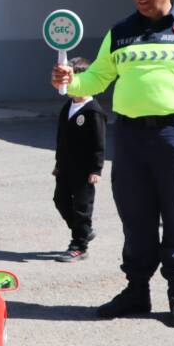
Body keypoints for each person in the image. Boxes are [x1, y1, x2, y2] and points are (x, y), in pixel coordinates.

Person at [51, 0, 174, 327]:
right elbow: (96, 79)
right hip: (130, 136)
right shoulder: (121, 32)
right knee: (136, 218)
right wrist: (68, 82)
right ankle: (136, 290)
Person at [52, 57, 107, 263]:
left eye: (70, 80)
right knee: (60, 200)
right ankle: (83, 231)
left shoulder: (93, 111)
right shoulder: (68, 107)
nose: (66, 85)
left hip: (84, 171)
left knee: (82, 208)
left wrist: (96, 169)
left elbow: (99, 143)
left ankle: (79, 246)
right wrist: (58, 164)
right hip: (66, 167)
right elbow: (61, 138)